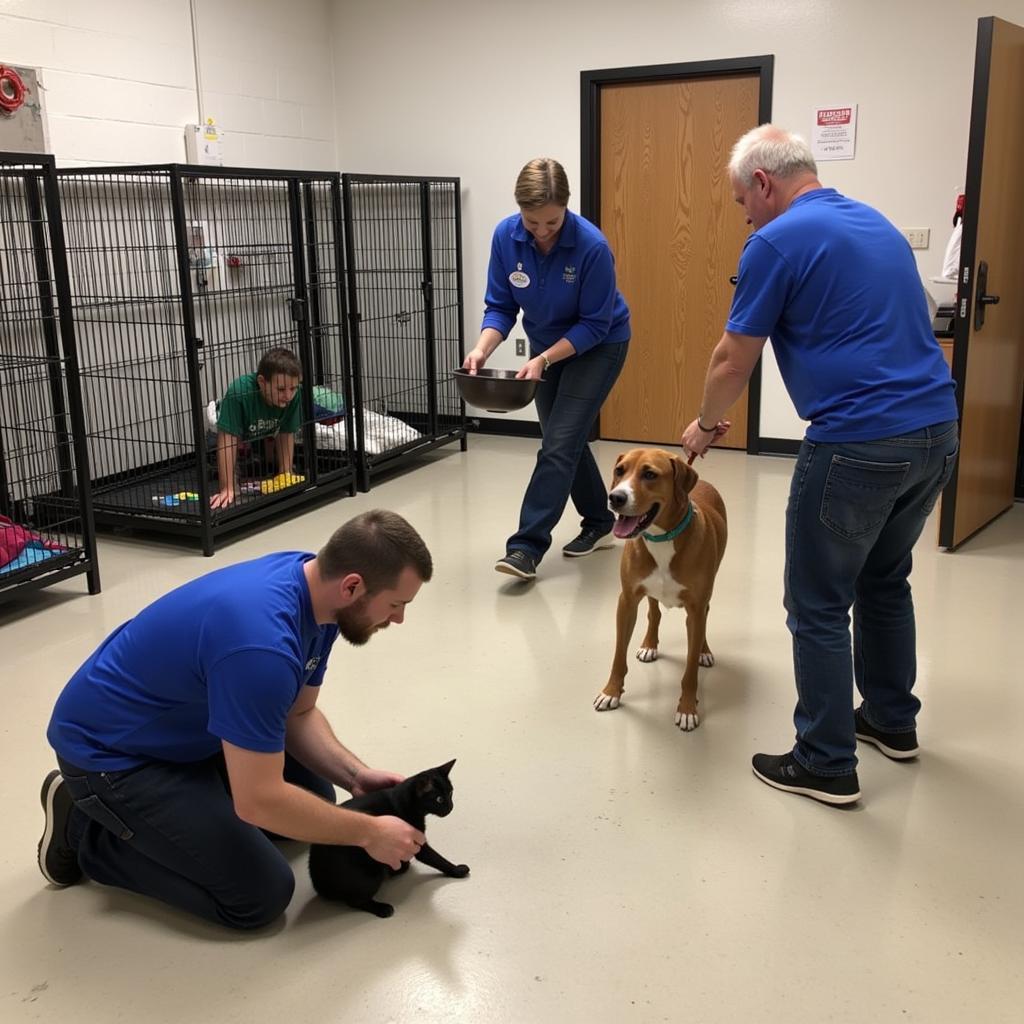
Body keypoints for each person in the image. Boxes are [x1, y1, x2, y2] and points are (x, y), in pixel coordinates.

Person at [681, 125, 958, 806]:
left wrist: (708, 423)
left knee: (817, 602)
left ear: (764, 184)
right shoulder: (878, 225)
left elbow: (730, 359)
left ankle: (826, 761)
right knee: (886, 580)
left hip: (859, 443)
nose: (743, 213)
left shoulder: (775, 240)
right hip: (936, 431)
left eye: (741, 198)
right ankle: (892, 722)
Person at [39, 510, 433, 929]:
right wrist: (369, 833)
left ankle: (183, 813)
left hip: (183, 729)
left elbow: (298, 713)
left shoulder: (320, 590)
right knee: (258, 896)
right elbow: (259, 800)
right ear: (353, 585)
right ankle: (86, 831)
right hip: (113, 757)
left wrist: (355, 775)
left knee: (317, 798)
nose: (398, 619)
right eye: (395, 604)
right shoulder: (261, 648)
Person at [463, 157, 631, 581]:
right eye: (532, 222)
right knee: (564, 440)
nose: (541, 232)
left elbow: (595, 323)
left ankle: (525, 547)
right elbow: (501, 306)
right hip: (546, 348)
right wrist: (482, 349)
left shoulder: (591, 246)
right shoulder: (506, 236)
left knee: (557, 443)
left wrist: (542, 358)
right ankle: (599, 521)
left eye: (552, 223)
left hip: (598, 345)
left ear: (566, 207)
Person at [210, 347, 303, 509]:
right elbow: (226, 441)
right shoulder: (239, 391)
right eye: (281, 389)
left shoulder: (293, 396)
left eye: (293, 389)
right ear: (262, 382)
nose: (288, 396)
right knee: (218, 466)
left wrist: (285, 473)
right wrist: (227, 488)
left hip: (262, 435)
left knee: (271, 461)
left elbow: (286, 433)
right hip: (228, 434)